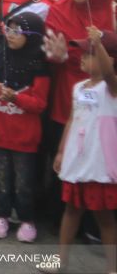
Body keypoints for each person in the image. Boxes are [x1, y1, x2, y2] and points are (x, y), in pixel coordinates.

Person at [51, 28, 117, 274]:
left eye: (89, 54)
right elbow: (72, 119)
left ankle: (112, 267)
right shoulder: (78, 87)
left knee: (104, 217)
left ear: (109, 58)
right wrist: (60, 151)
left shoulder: (112, 88)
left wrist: (98, 43)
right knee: (71, 210)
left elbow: (109, 74)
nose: (83, 58)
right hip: (77, 160)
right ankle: (61, 260)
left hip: (99, 162)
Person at [0, 11, 49, 242]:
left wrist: (15, 98)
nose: (10, 35)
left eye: (17, 31)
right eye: (8, 30)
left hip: (25, 138)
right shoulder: (0, 57)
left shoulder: (39, 65)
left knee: (24, 183)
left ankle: (27, 219)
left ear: (31, 36)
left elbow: (39, 104)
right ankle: (1, 214)